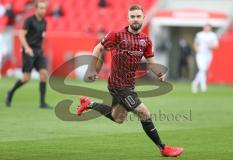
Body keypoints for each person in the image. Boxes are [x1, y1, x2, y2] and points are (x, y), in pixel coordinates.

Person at [76, 4, 183, 157]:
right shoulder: (116, 35)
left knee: (118, 118)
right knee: (144, 113)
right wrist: (92, 69)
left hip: (129, 84)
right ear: (128, 18)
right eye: (132, 16)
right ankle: (163, 148)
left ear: (143, 18)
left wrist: (159, 72)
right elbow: (97, 48)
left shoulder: (146, 40)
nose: (135, 19)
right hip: (118, 84)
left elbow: (151, 61)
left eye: (138, 16)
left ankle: (89, 104)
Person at [6, 0, 51, 108]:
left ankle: (42, 103)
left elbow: (41, 37)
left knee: (44, 74)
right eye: (40, 8)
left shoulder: (44, 22)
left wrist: (40, 49)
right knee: (26, 78)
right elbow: (21, 35)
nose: (43, 10)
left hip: (38, 51)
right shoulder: (29, 21)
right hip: (29, 51)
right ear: (35, 9)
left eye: (44, 8)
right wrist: (26, 48)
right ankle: (10, 92)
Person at [192, 24, 219, 93]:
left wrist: (210, 46)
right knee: (202, 69)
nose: (207, 28)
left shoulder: (213, 35)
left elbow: (216, 46)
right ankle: (204, 87)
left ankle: (195, 83)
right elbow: (195, 43)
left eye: (208, 27)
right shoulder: (200, 34)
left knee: (203, 70)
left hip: (208, 54)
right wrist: (197, 49)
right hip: (200, 54)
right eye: (206, 27)